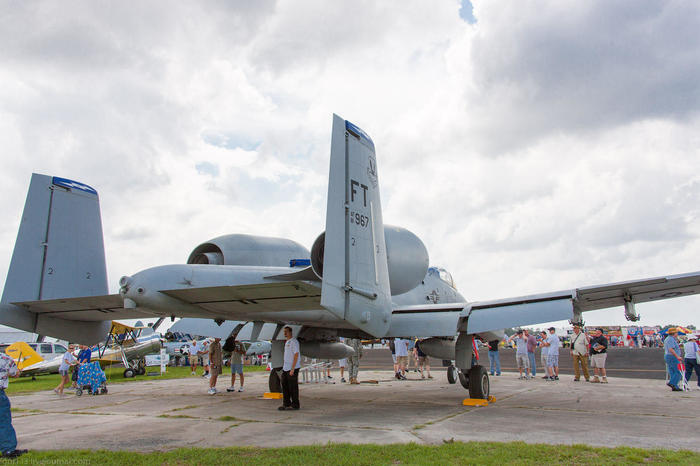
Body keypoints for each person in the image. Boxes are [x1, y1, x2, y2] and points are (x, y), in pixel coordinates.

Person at [0, 352, 27, 458]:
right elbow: (15, 374)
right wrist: (17, 371)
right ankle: (8, 450)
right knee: (3, 421)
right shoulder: (5, 358)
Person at [279, 326, 300, 410]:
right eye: (284, 332)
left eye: (286, 332)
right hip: (286, 367)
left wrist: (293, 368)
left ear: (290, 332)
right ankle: (286, 403)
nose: (285, 333)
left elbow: (296, 354)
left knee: (293, 387)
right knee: (285, 385)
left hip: (292, 368)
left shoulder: (294, 342)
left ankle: (295, 404)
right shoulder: (287, 342)